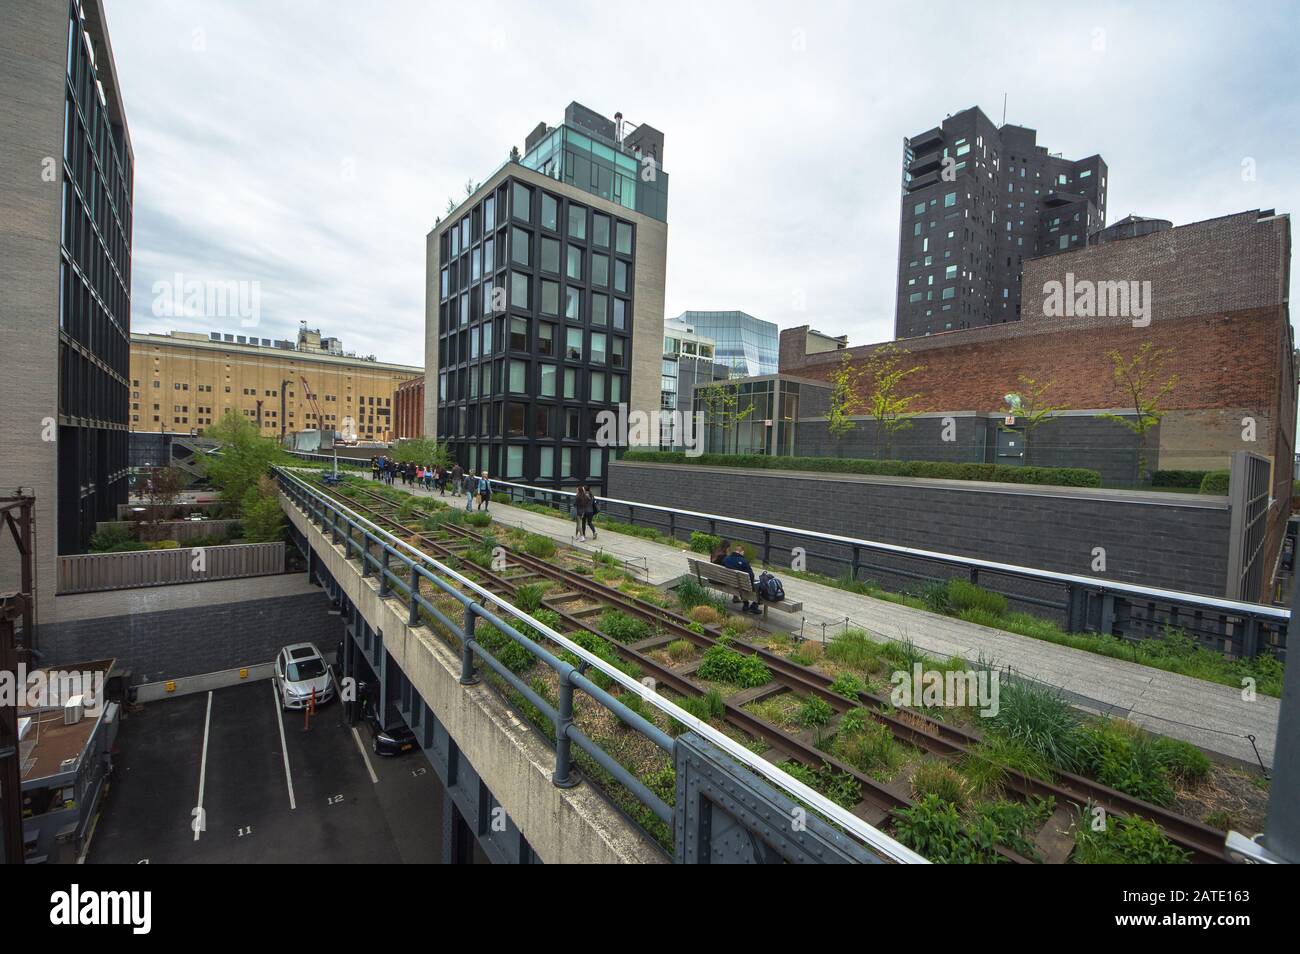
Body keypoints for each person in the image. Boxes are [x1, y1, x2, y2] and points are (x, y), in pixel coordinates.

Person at [721, 542, 762, 615]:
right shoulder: (744, 561)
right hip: (743, 585)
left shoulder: (726, 559)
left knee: (741, 583)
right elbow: (751, 576)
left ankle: (746, 604)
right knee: (760, 585)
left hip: (730, 582)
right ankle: (754, 606)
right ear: (741, 552)